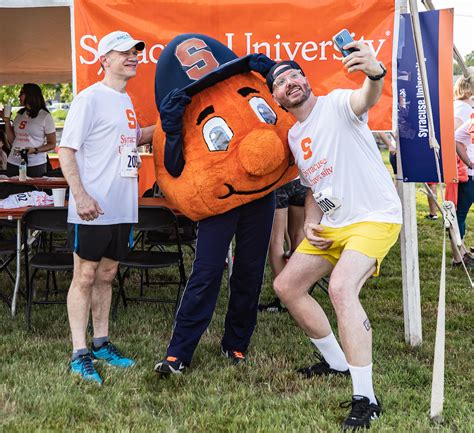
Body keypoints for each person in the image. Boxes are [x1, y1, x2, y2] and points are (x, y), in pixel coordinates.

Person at [266, 41, 402, 431]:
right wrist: (310, 223)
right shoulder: (294, 137)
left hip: (375, 217)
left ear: (307, 82)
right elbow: (313, 187)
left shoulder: (337, 104)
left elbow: (366, 97)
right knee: (287, 286)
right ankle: (335, 362)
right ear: (277, 98)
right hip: (333, 224)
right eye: (280, 81)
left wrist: (374, 74)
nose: (290, 81)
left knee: (342, 288)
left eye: (295, 75)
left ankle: (366, 398)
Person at [58, 30, 155, 385]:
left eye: (135, 52)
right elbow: (67, 150)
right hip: (92, 207)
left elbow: (131, 140)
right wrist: (80, 196)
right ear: (104, 60)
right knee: (84, 276)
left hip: (122, 207)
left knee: (107, 275)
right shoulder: (90, 99)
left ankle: (101, 343)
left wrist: (165, 128)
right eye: (124, 52)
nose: (132, 57)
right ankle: (79, 353)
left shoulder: (124, 100)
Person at [258, 178, 305, 313]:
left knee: (276, 241)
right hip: (300, 178)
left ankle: (286, 298)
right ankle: (299, 293)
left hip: (279, 180)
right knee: (298, 235)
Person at [447, 75, 473, 267]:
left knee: (457, 213)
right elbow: (455, 136)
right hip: (463, 172)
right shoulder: (464, 110)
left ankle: (460, 252)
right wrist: (468, 162)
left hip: (460, 169)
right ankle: (459, 254)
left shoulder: (459, 107)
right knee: (457, 213)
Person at [1, 84, 56, 177]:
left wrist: (35, 150)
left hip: (35, 164)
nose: (19, 96)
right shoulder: (19, 115)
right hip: (13, 162)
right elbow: (12, 140)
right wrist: (7, 122)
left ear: (31, 95)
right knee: (12, 190)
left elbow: (52, 144)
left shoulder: (45, 116)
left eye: (21, 93)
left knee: (34, 191)